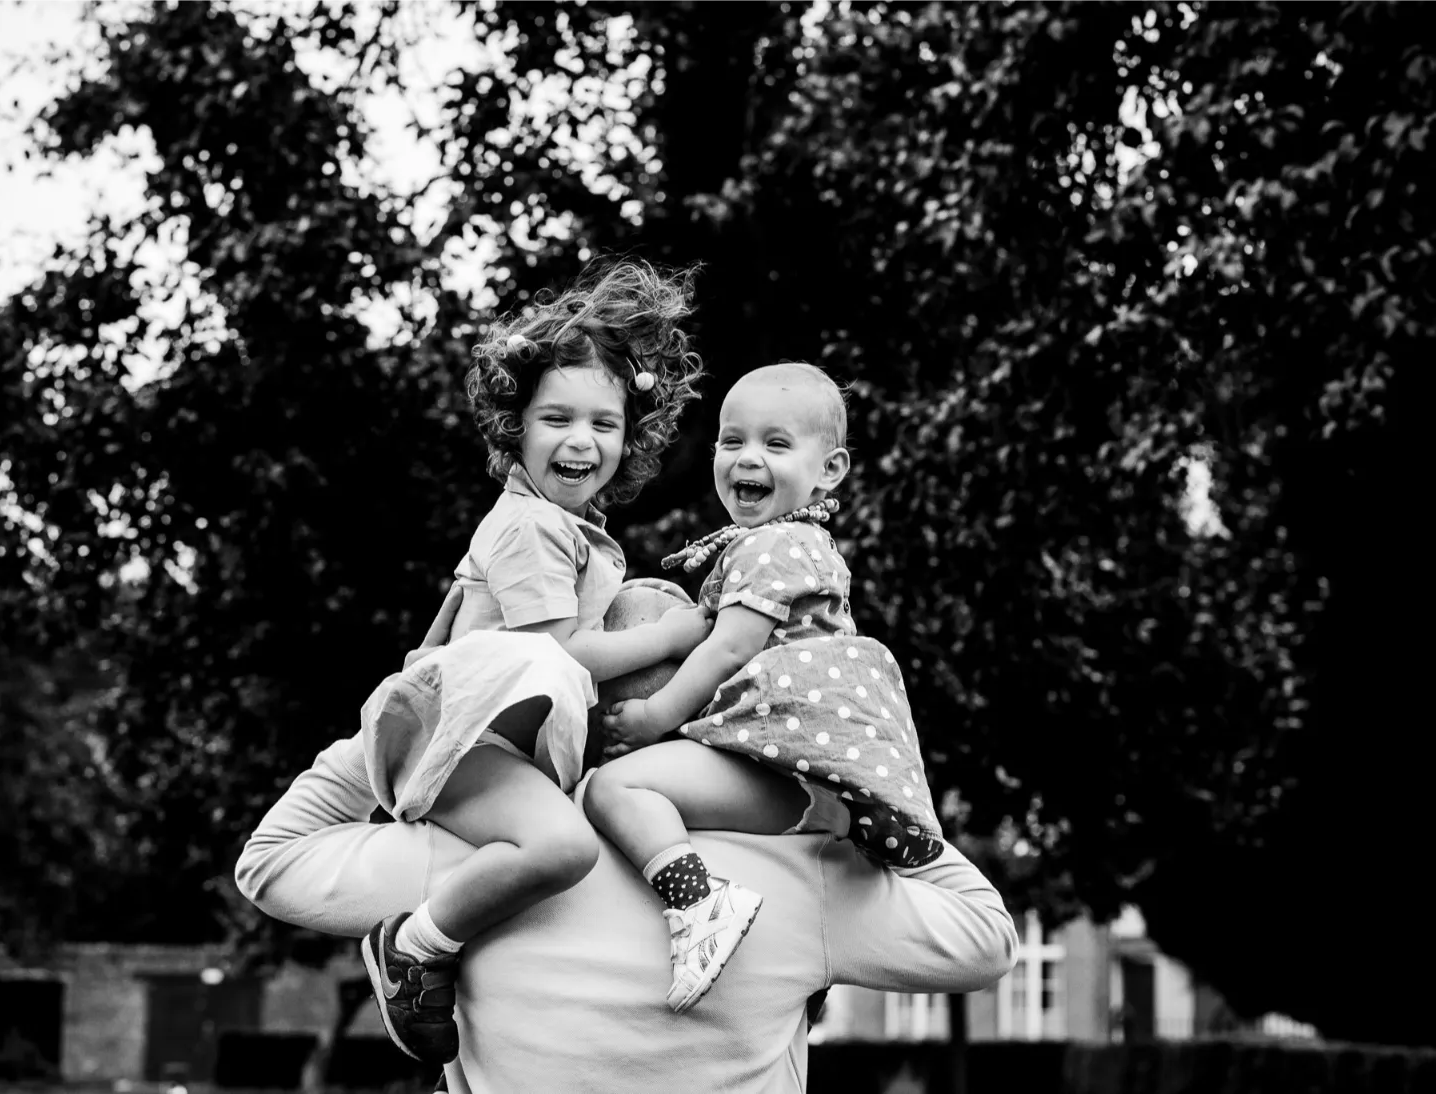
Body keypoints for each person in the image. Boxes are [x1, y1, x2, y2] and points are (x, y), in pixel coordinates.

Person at [234, 579, 1018, 1094]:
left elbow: (269, 864)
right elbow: (987, 941)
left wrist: (421, 706)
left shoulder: (475, 864)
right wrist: (857, 783)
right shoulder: (800, 873)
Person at [350, 260, 710, 1064]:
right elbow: (560, 654)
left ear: (631, 435)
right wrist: (683, 637)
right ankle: (411, 947)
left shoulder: (567, 528)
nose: (581, 441)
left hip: (500, 740)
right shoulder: (529, 528)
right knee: (564, 847)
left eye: (604, 425)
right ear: (517, 427)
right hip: (463, 746)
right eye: (557, 418)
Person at [583, 362, 948, 1013]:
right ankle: (803, 978)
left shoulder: (776, 546)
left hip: (786, 771)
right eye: (733, 441)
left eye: (776, 444)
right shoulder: (787, 544)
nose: (748, 457)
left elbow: (730, 647)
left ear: (829, 469)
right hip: (799, 767)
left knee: (616, 787)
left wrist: (652, 716)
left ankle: (700, 905)